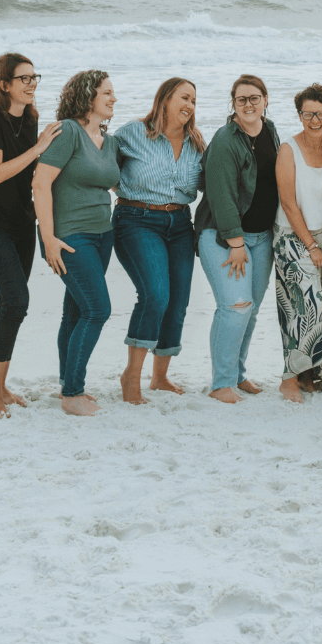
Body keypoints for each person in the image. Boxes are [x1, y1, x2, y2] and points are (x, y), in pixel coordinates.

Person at [0, 53, 62, 417]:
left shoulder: (33, 119)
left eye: (34, 77)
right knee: (16, 300)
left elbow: (36, 176)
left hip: (22, 226)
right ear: (4, 84)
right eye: (23, 78)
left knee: (7, 305)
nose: (31, 83)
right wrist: (38, 149)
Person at [33, 71, 121, 416]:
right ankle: (73, 393)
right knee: (98, 309)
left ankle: (67, 381)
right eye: (107, 93)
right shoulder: (67, 131)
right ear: (87, 97)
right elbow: (41, 184)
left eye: (114, 93)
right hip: (69, 236)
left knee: (76, 310)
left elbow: (115, 185)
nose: (114, 99)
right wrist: (48, 239)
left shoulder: (109, 140)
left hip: (103, 236)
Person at [113, 78, 204, 404]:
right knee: (155, 294)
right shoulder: (132, 133)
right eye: (184, 97)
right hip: (136, 221)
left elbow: (216, 183)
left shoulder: (196, 143)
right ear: (165, 99)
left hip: (180, 224)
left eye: (194, 100)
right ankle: (131, 377)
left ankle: (160, 376)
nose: (190, 105)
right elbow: (99, 162)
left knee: (177, 301)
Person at [195, 74, 280, 404]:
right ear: (233, 104)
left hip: (262, 237)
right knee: (235, 306)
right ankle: (222, 383)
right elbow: (220, 195)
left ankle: (238, 374)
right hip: (223, 237)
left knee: (251, 309)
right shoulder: (225, 139)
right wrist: (236, 243)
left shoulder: (270, 131)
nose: (248, 104)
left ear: (265, 100)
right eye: (241, 99)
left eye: (254, 98)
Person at [273, 83, 322, 403]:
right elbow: (289, 204)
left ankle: (310, 373)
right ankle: (289, 378)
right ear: (299, 115)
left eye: (320, 113)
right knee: (306, 308)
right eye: (307, 114)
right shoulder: (288, 149)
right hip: (292, 237)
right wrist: (311, 247)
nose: (314, 120)